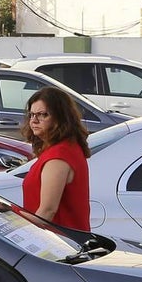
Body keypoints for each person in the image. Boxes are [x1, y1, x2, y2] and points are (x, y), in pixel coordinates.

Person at [20, 86, 91, 231]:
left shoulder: (59, 156)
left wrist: (17, 228)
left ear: (60, 117)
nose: (34, 121)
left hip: (58, 244)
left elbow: (47, 212)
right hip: (60, 242)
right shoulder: (63, 148)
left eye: (42, 115)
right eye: (31, 115)